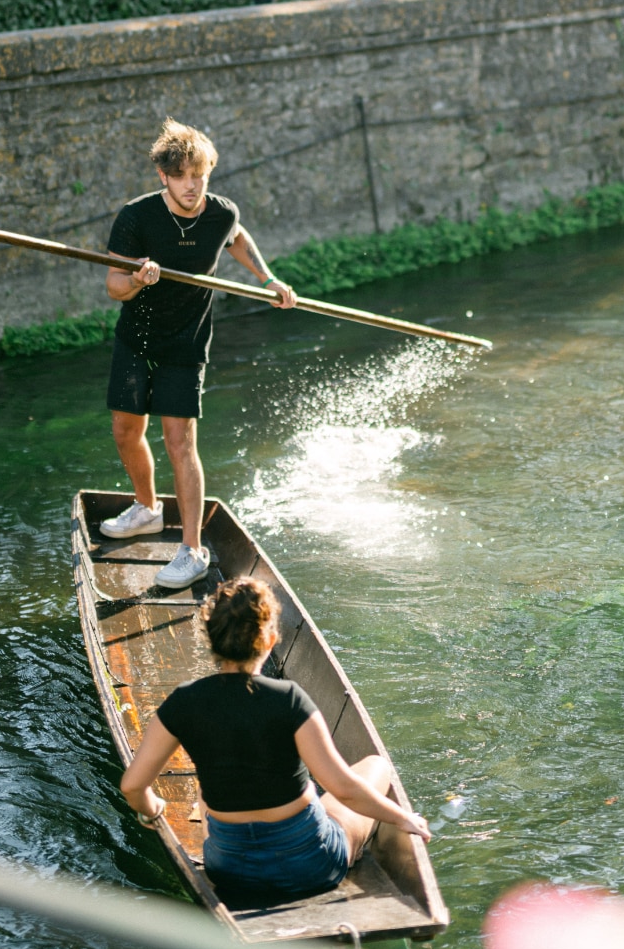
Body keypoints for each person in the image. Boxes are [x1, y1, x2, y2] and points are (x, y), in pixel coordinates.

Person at [120, 577, 431, 902]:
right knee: (376, 766)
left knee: (208, 781)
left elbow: (132, 786)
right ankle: (358, 857)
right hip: (311, 867)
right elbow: (345, 790)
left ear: (211, 640)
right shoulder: (289, 700)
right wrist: (404, 818)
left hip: (229, 872)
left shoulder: (183, 703)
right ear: (269, 639)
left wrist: (153, 810)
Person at [101, 119, 296, 589]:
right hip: (138, 338)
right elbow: (113, 287)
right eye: (183, 176)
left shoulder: (220, 213)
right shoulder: (136, 217)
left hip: (186, 345)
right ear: (164, 176)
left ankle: (191, 550)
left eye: (200, 175)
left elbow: (238, 237)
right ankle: (147, 508)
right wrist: (137, 279)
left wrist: (267, 281)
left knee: (180, 442)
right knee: (127, 431)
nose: (192, 186)